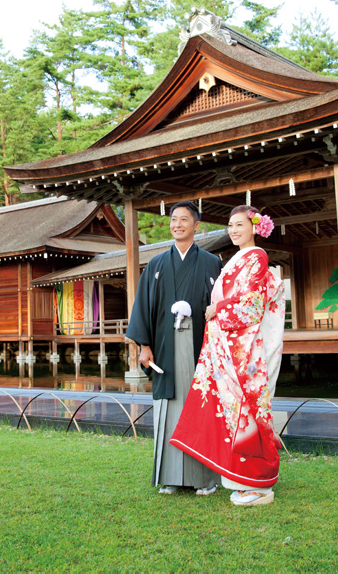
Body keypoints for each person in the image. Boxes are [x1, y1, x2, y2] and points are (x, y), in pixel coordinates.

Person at [169, 205, 285, 507]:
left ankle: (258, 483)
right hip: (228, 345)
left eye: (239, 225)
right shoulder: (237, 258)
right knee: (232, 414)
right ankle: (239, 478)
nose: (233, 230)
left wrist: (218, 309)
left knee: (247, 413)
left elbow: (251, 304)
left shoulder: (257, 257)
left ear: (254, 227)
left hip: (242, 351)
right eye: (230, 226)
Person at [126, 201, 223, 495]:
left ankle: (204, 478)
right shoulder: (156, 265)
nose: (177, 224)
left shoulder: (211, 262)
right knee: (168, 409)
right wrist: (144, 345)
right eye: (173, 220)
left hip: (199, 345)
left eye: (184, 220)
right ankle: (169, 477)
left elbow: (219, 305)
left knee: (200, 405)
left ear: (196, 226)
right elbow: (144, 307)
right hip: (166, 346)